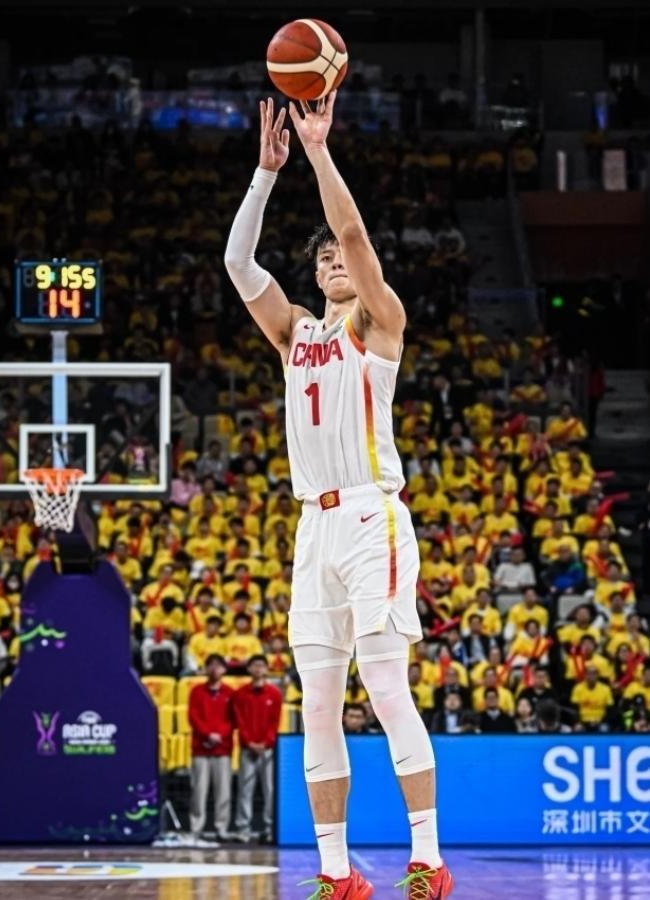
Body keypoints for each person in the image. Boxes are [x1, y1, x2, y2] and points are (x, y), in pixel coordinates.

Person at [225, 95, 453, 898]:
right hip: (312, 527)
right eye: (320, 257)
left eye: (339, 256)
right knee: (318, 704)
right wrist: (265, 174)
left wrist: (318, 152)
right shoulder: (295, 332)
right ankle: (335, 872)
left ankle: (427, 859)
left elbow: (352, 234)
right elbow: (238, 266)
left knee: (385, 688)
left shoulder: (378, 322)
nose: (332, 259)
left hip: (370, 514)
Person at [233, 654, 283, 844]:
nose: (258, 668)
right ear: (248, 669)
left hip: (268, 750)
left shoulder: (275, 694)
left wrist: (266, 742)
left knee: (270, 790)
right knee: (245, 790)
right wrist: (249, 742)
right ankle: (243, 829)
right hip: (248, 749)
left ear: (266, 669)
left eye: (261, 665)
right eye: (254, 665)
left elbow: (275, 722)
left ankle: (270, 829)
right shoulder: (240, 694)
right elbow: (240, 721)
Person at [188, 654, 234, 844]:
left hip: (223, 749)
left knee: (223, 791)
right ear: (206, 669)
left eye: (218, 665)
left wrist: (219, 736)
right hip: (201, 748)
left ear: (224, 669)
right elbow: (193, 716)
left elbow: (233, 720)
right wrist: (208, 735)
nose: (215, 669)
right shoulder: (196, 691)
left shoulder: (230, 693)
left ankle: (221, 828)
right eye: (211, 665)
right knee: (198, 791)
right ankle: (196, 828)